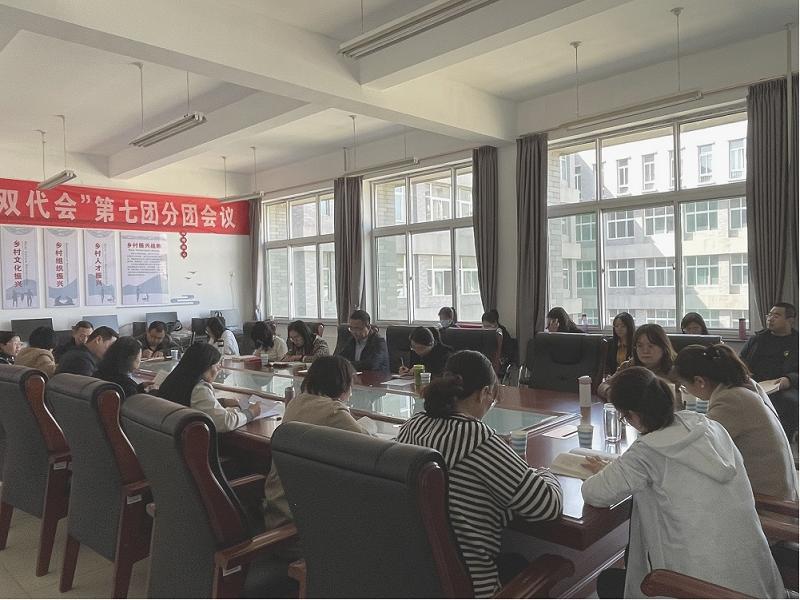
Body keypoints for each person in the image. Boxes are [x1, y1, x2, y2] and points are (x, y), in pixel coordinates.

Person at [582, 366, 783, 599]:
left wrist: (607, 472)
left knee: (608, 581)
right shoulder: (710, 427)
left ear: (632, 415)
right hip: (756, 582)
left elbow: (594, 492)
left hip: (696, 588)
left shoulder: (646, 452)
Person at [397, 350, 563, 598]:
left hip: (418, 583)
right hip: (472, 588)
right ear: (484, 392)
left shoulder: (413, 425)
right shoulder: (475, 435)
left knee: (514, 561)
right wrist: (547, 473)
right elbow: (546, 504)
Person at [674, 344, 797, 500]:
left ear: (700, 381)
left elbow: (700, 447)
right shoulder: (744, 386)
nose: (686, 390)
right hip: (780, 491)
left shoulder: (731, 400)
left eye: (685, 386)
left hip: (768, 501)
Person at [264, 355, 371, 532]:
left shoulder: (296, 402)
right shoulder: (333, 411)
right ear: (341, 384)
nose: (351, 392)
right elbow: (370, 447)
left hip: (278, 511)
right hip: (303, 526)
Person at [158, 342, 260, 433]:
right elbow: (225, 422)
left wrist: (222, 402)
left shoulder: (174, 380)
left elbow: (193, 404)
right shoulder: (199, 388)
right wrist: (251, 413)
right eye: (217, 365)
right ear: (205, 366)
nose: (219, 369)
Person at [740, 302, 798, 438]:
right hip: (754, 383)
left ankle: (783, 438)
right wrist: (743, 374)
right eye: (769, 315)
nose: (770, 319)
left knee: (789, 401)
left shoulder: (797, 342)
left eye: (776, 316)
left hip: (783, 387)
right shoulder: (757, 339)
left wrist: (789, 379)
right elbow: (740, 361)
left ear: (790, 320)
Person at [598, 323, 676, 401]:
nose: (645, 351)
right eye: (640, 346)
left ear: (664, 347)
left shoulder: (675, 370)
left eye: (651, 346)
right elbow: (603, 386)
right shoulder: (629, 366)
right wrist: (610, 392)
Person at [482, 309, 515, 374]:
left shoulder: (503, 334)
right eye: (484, 326)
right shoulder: (484, 333)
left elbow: (508, 353)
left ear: (495, 324)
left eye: (488, 326)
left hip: (500, 362)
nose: (486, 329)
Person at [605, 312, 634, 376]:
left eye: (623, 326)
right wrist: (608, 375)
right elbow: (606, 364)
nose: (619, 329)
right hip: (613, 376)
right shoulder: (610, 343)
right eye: (616, 326)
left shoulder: (636, 344)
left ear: (629, 327)